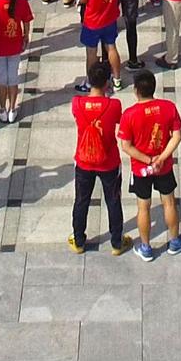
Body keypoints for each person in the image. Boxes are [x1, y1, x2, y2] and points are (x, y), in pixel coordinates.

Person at [119, 70, 181, 260]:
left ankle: (146, 247)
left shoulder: (129, 114)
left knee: (143, 207)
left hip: (141, 169)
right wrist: (161, 158)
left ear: (135, 90)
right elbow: (177, 136)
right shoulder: (168, 107)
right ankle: (175, 241)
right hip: (164, 167)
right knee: (169, 203)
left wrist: (149, 160)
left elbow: (126, 146)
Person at [69, 63, 128, 255]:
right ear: (107, 82)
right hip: (109, 162)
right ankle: (117, 243)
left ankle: (79, 241)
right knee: (113, 200)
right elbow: (120, 121)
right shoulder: (114, 105)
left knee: (81, 200)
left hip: (84, 161)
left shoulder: (77, 103)